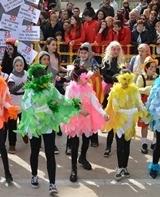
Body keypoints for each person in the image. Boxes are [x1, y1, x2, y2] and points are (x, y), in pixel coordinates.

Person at [17, 64, 80, 194]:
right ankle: (34, 175)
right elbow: (27, 108)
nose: (41, 82)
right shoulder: (29, 91)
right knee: (34, 151)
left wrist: (74, 103)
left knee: (50, 154)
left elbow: (62, 100)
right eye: (38, 79)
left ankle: (52, 183)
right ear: (33, 79)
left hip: (48, 126)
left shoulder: (51, 89)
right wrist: (47, 108)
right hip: (34, 126)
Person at [62, 68, 108, 182]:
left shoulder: (88, 88)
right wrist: (79, 111)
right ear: (78, 78)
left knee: (87, 138)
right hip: (75, 118)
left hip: (86, 117)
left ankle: (82, 157)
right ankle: (73, 168)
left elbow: (94, 101)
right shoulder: (70, 88)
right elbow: (67, 103)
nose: (87, 79)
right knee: (75, 143)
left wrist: (103, 113)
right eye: (85, 78)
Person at [104, 70, 147, 180]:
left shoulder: (134, 91)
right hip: (119, 122)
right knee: (120, 145)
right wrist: (133, 110)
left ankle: (125, 167)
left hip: (130, 122)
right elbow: (116, 108)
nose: (125, 83)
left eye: (128, 80)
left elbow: (139, 103)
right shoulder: (114, 92)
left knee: (127, 145)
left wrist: (146, 111)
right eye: (124, 80)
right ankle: (119, 167)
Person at [7, 56, 27, 153]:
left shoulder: (26, 74)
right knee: (12, 125)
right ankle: (12, 144)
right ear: (14, 66)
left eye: (21, 65)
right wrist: (22, 84)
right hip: (14, 102)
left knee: (24, 121)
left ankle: (25, 133)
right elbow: (12, 89)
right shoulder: (11, 76)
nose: (19, 67)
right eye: (17, 65)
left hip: (24, 101)